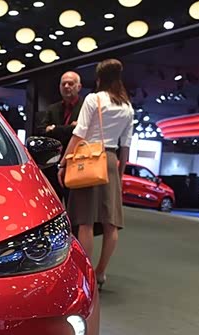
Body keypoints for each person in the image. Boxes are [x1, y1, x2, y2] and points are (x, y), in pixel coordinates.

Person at [57, 59, 133, 291]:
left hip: (89, 159)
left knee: (85, 221)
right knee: (111, 223)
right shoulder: (127, 107)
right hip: (110, 160)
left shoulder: (94, 99)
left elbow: (79, 134)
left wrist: (63, 163)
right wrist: (119, 174)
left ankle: (84, 272)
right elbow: (126, 146)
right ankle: (100, 272)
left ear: (99, 79)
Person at [38, 71, 84, 203]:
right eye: (63, 84)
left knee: (74, 207)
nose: (67, 86)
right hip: (52, 165)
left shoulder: (85, 108)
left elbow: (82, 133)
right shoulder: (53, 108)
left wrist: (54, 129)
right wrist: (70, 128)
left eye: (70, 83)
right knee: (51, 205)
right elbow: (41, 131)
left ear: (79, 87)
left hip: (76, 164)